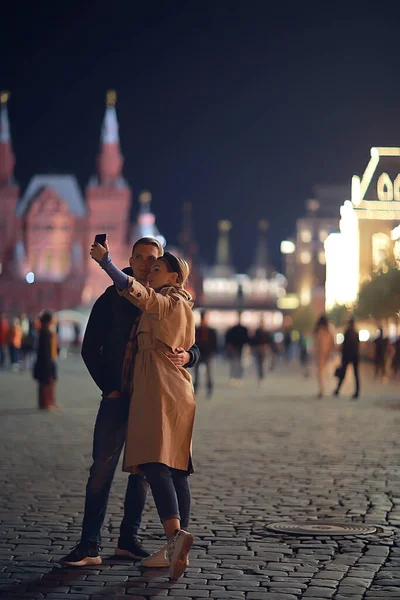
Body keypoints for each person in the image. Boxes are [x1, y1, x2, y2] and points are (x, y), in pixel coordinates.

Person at [60, 237, 199, 569]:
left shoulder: (167, 299)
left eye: (153, 261)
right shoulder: (114, 295)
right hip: (121, 395)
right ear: (131, 258)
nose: (146, 265)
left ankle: (130, 540)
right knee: (104, 470)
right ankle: (90, 544)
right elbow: (90, 346)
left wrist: (189, 355)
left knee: (149, 472)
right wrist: (109, 388)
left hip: (155, 397)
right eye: (140, 258)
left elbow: (191, 343)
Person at [33, 311, 58, 410]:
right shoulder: (45, 332)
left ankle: (47, 403)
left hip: (46, 361)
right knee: (46, 383)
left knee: (46, 383)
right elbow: (45, 351)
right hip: (46, 361)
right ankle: (46, 403)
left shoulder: (45, 331)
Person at [334, 318, 360, 399]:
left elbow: (344, 346)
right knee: (356, 375)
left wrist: (342, 357)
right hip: (355, 356)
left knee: (342, 374)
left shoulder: (347, 332)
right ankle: (357, 392)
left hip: (347, 356)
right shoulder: (356, 333)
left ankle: (337, 390)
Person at [194, 311, 217, 397]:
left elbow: (214, 343)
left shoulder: (211, 330)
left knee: (209, 372)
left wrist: (212, 352)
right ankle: (195, 388)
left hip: (208, 354)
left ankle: (209, 388)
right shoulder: (197, 329)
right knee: (196, 373)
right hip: (198, 353)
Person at [313, 314, 335, 398]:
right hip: (327, 354)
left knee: (321, 373)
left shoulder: (319, 331)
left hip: (321, 355)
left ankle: (322, 390)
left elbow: (316, 344)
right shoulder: (329, 331)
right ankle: (327, 389)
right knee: (326, 372)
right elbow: (333, 343)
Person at [225, 314, 249, 384]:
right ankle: (235, 377)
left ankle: (237, 377)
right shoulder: (237, 329)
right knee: (236, 363)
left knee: (238, 363)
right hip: (236, 348)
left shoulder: (240, 329)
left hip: (240, 348)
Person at [251, 319, 274, 385]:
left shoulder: (265, 332)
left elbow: (269, 341)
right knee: (259, 364)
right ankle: (260, 376)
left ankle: (261, 377)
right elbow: (254, 341)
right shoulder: (258, 331)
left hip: (263, 349)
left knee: (262, 364)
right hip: (259, 349)